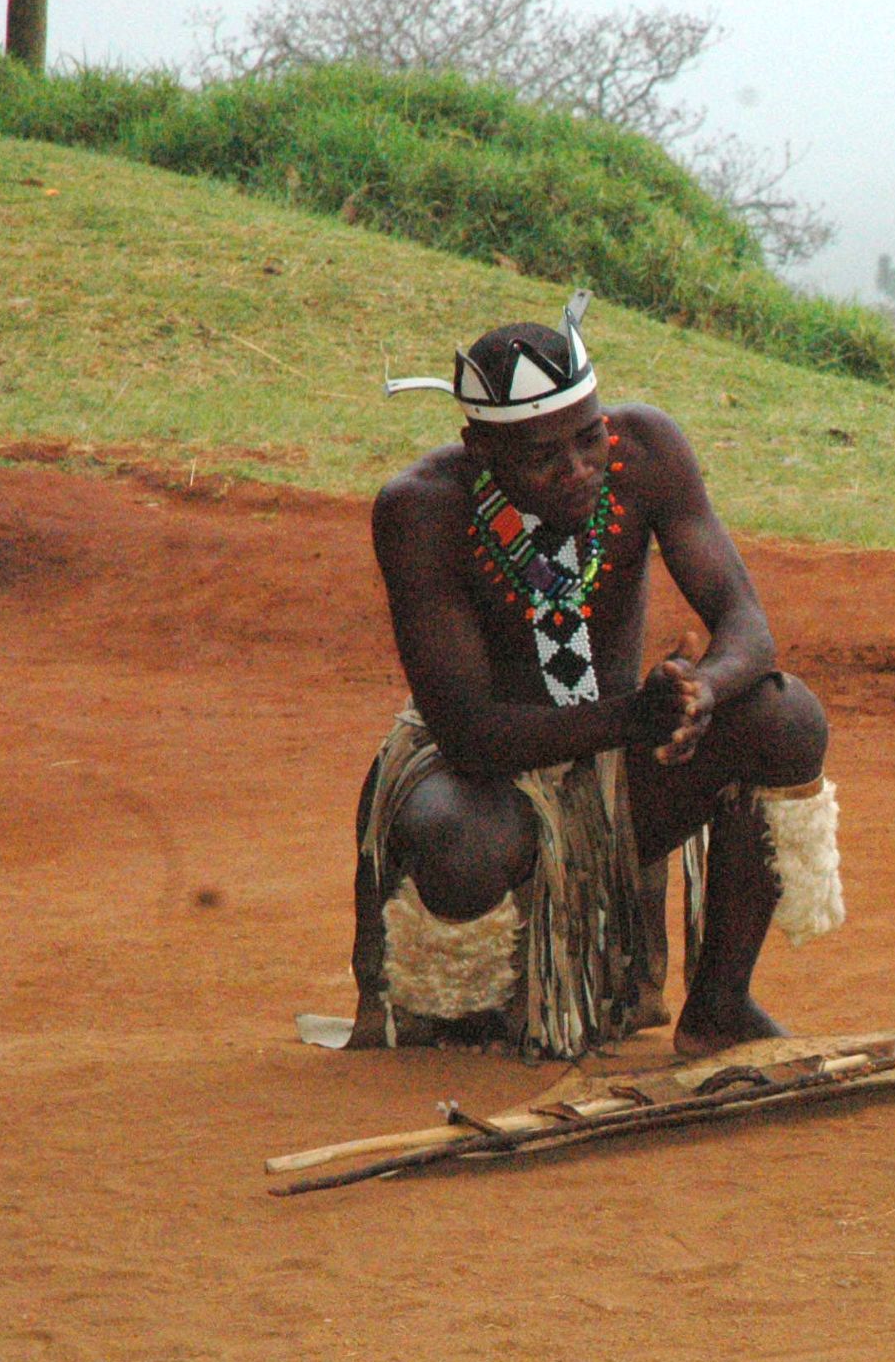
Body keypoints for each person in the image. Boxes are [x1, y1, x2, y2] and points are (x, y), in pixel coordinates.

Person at [340, 292, 840, 1060]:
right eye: (543, 456)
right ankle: (470, 1008)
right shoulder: (422, 511)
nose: (577, 470)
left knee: (785, 716)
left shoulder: (647, 453)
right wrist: (630, 720)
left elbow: (747, 627)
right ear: (479, 451)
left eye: (587, 439)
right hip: (481, 776)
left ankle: (718, 1009)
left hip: (616, 756)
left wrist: (702, 692)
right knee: (463, 834)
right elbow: (470, 735)